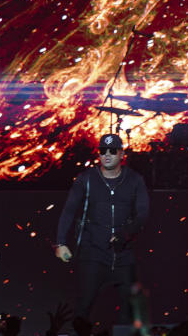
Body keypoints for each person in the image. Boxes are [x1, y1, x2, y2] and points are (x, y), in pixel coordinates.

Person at [54, 133, 150, 324]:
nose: (107, 155)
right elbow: (69, 210)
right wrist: (61, 242)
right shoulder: (86, 179)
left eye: (112, 151)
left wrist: (125, 234)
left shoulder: (134, 180)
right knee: (83, 306)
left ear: (121, 154)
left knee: (131, 311)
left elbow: (143, 214)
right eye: (102, 151)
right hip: (93, 252)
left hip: (124, 254)